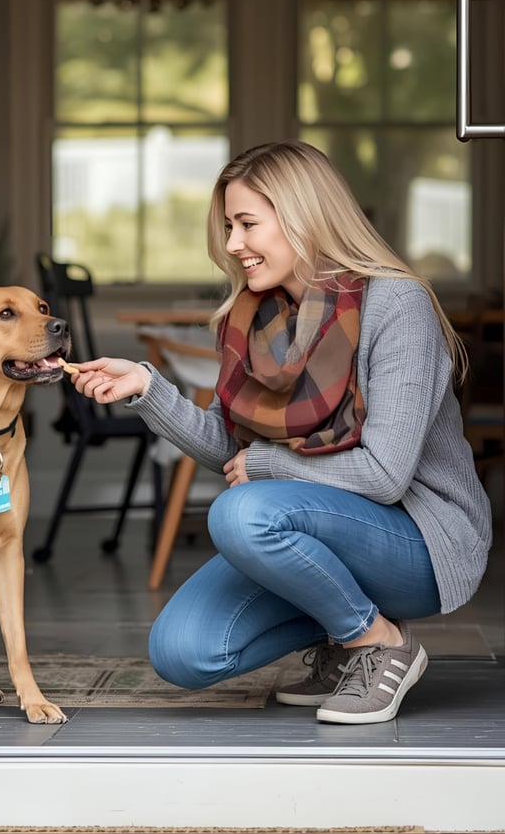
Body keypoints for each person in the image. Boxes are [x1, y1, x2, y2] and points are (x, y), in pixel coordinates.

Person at [66, 139, 492, 725]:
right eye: (228, 226)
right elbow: (230, 450)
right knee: (182, 652)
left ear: (302, 217)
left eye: (247, 224)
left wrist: (268, 466)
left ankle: (378, 643)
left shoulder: (395, 303)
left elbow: (387, 475)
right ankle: (347, 638)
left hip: (423, 538)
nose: (232, 244)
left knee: (242, 512)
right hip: (327, 525)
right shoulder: (258, 316)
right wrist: (148, 388)